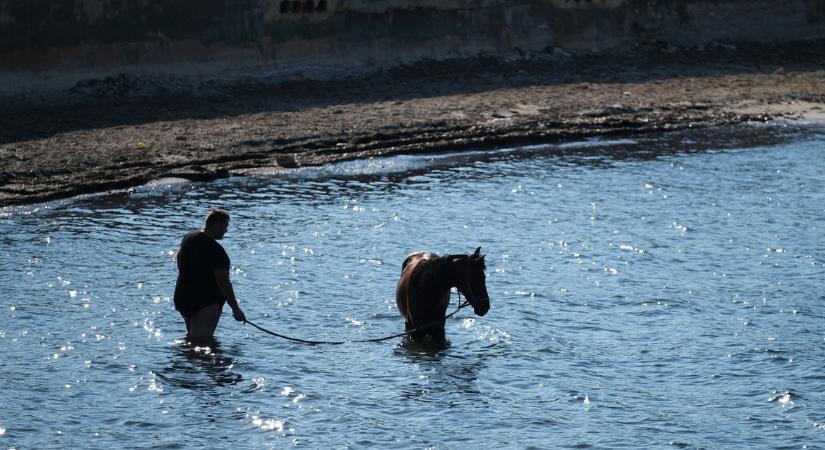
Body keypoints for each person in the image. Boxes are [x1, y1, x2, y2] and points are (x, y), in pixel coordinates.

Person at [174, 208, 246, 342]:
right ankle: (207, 363)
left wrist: (187, 277)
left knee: (191, 338)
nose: (226, 230)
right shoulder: (217, 252)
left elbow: (178, 256)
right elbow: (223, 284)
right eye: (225, 226)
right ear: (216, 225)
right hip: (206, 302)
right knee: (202, 342)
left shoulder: (189, 237)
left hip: (183, 296)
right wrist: (236, 309)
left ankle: (185, 362)